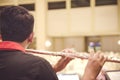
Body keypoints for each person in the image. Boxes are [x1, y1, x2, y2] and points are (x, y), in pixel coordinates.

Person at [0, 6, 107, 80]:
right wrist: (90, 75)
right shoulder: (38, 65)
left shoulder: (39, 67)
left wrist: (53, 69)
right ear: (31, 37)